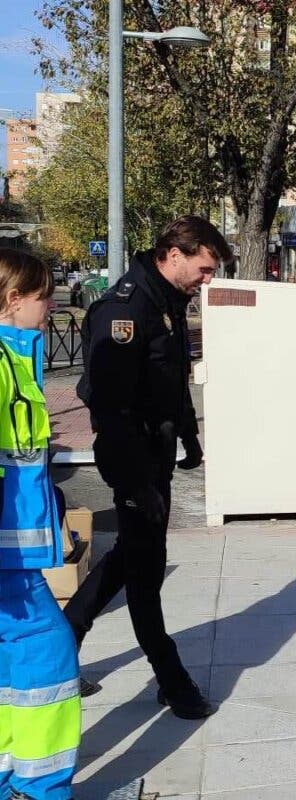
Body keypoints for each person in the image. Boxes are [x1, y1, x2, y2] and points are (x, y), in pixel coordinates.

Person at [64, 216, 229, 719]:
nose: (208, 278)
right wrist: (137, 480)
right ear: (174, 254)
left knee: (133, 552)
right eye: (204, 268)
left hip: (155, 452)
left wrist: (189, 437)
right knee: (146, 568)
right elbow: (109, 408)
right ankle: (172, 680)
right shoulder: (128, 309)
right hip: (131, 454)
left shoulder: (168, 304)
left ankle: (65, 637)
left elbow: (171, 384)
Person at [0, 249, 80, 800]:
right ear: (12, 301)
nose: (51, 305)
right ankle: (38, 787)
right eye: (42, 295)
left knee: (15, 670)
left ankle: (15, 780)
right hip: (10, 564)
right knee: (48, 661)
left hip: (16, 557)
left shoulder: (15, 359)